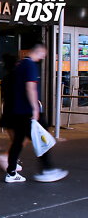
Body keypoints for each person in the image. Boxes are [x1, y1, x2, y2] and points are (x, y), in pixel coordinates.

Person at [5, 42, 68, 183]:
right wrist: (35, 108)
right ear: (39, 51)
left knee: (17, 142)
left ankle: (11, 173)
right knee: (42, 139)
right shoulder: (30, 65)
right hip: (28, 112)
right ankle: (47, 170)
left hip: (17, 111)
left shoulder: (20, 65)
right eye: (43, 54)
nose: (43, 57)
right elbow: (30, 87)